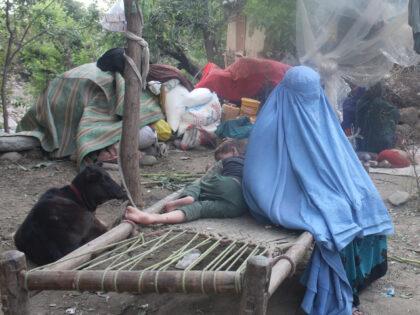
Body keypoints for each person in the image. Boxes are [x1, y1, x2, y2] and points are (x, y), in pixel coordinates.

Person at [242, 66, 393, 315]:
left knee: (364, 197)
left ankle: (364, 272)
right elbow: (260, 178)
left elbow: (337, 157)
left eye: (313, 94)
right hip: (281, 194)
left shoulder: (320, 113)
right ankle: (343, 284)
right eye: (303, 95)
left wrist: (343, 185)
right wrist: (315, 191)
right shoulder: (269, 124)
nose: (309, 102)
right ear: (287, 92)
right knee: (336, 212)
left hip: (316, 184)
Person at [125, 139, 248, 225]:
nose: (218, 161)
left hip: (229, 184)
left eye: (220, 158)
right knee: (200, 209)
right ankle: (153, 218)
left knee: (198, 183)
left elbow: (215, 176)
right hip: (240, 205)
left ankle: (189, 196)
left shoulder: (234, 159)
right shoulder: (252, 163)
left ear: (234, 150)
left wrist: (210, 169)